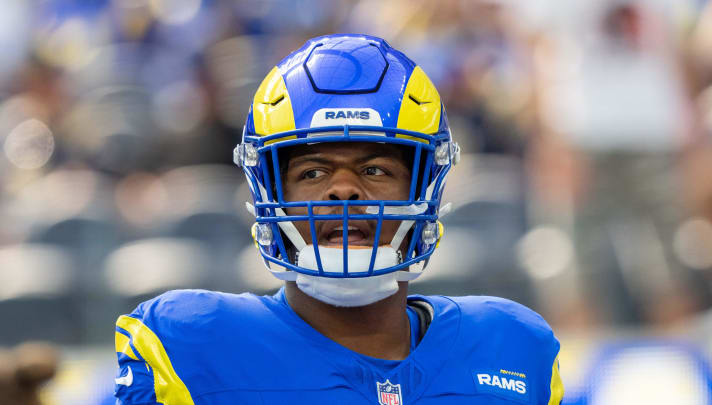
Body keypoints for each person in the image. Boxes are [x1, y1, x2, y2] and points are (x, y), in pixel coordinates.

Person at [113, 34, 564, 404]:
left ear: (425, 189)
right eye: (312, 172)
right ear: (272, 195)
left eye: (375, 170)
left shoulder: (515, 348)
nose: (344, 190)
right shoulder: (192, 345)